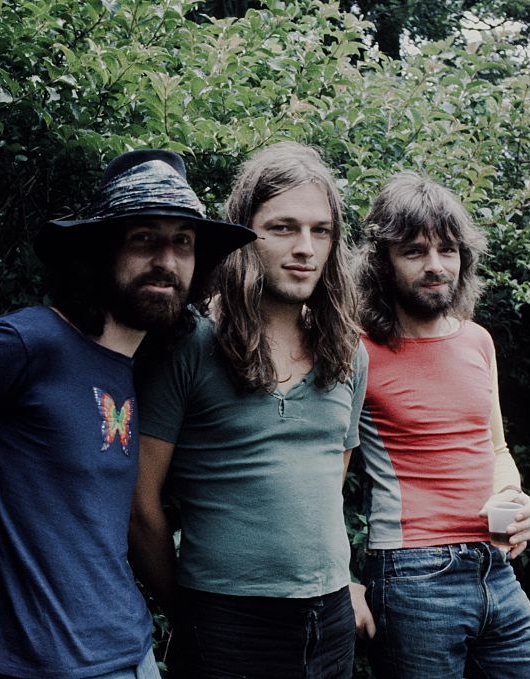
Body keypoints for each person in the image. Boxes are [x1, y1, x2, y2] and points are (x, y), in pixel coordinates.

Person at [0, 149, 255, 678]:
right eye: (144, 239)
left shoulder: (135, 367)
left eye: (183, 243)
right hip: (36, 663)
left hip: (132, 653)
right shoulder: (28, 342)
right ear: (102, 252)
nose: (166, 260)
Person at [129, 141, 370, 678]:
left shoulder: (349, 352)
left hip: (330, 619)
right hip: (224, 619)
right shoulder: (190, 344)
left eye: (321, 230)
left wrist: (337, 580)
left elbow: (331, 482)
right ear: (244, 235)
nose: (305, 247)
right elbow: (140, 503)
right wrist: (187, 610)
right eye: (283, 228)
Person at [354, 171, 530, 678]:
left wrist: (515, 499)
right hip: (411, 575)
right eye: (414, 251)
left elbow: (495, 448)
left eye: (448, 250)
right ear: (383, 262)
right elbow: (322, 467)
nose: (435, 266)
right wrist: (342, 578)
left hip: (495, 568)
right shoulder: (355, 348)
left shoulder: (477, 340)